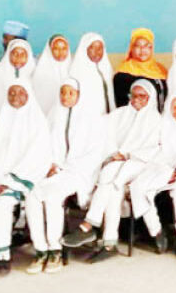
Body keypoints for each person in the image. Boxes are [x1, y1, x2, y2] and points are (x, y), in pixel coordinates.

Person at [61, 80, 163, 261]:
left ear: (150, 98)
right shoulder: (120, 114)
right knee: (113, 188)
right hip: (117, 161)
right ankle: (109, 243)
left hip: (141, 164)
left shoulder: (156, 119)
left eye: (142, 96)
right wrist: (113, 153)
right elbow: (103, 135)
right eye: (134, 95)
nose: (137, 100)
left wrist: (128, 154)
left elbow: (156, 148)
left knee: (109, 176)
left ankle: (88, 225)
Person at [0, 80, 52, 277]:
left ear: (28, 95)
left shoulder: (36, 120)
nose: (15, 97)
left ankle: (3, 256)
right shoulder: (4, 117)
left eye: (20, 93)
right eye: (11, 93)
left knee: (1, 205)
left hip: (23, 179)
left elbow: (37, 158)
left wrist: (9, 182)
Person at [25, 78, 104, 274]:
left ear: (79, 95)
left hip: (78, 173)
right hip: (54, 170)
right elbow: (44, 144)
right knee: (32, 194)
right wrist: (50, 164)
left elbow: (95, 153)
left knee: (52, 197)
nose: (66, 97)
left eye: (71, 93)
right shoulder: (54, 113)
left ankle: (55, 250)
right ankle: (40, 249)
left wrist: (65, 167)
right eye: (63, 92)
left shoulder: (90, 117)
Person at [128, 92, 176, 254]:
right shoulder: (164, 123)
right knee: (138, 187)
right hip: (162, 167)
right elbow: (158, 147)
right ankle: (156, 231)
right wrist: (166, 168)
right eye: (174, 107)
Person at [114, 28, 167, 112]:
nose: (142, 50)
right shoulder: (123, 74)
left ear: (151, 48)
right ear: (131, 48)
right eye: (138, 46)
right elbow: (121, 107)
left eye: (146, 46)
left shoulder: (160, 70)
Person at [69, 32, 115, 116]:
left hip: (106, 118)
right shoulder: (77, 71)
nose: (97, 52)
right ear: (85, 49)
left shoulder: (106, 68)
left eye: (100, 48)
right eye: (92, 48)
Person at [33, 34, 72, 114]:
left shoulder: (74, 70)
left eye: (64, 48)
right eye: (56, 49)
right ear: (50, 50)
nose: (60, 52)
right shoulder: (40, 73)